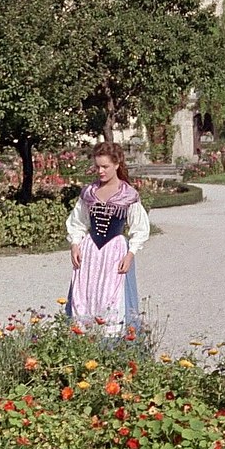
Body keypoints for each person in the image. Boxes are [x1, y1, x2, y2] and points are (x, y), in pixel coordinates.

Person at [65, 142, 150, 334]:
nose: (100, 171)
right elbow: (78, 221)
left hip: (115, 251)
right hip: (90, 251)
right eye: (97, 167)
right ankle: (84, 336)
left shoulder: (128, 194)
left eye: (105, 166)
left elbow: (140, 228)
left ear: (117, 164)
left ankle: (111, 339)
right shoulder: (89, 193)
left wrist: (130, 254)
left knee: (112, 294)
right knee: (86, 292)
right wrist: (75, 244)